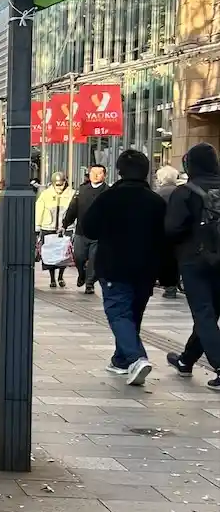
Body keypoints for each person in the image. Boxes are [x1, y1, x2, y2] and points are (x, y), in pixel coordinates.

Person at [82, 149, 173, 386]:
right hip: (146, 269)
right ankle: (121, 360)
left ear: (120, 171)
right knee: (133, 314)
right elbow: (167, 240)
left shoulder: (109, 198)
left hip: (114, 265)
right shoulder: (156, 202)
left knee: (119, 313)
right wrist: (168, 275)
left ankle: (135, 358)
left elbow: (88, 228)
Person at [164, 143, 220, 389]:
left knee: (204, 313)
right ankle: (186, 360)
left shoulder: (185, 192)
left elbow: (172, 229)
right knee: (210, 313)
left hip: (195, 260)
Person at [62, 164, 108, 294]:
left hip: (99, 234)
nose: (95, 175)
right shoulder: (82, 190)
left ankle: (89, 283)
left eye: (99, 173)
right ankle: (81, 274)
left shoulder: (109, 192)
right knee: (78, 257)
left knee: (94, 259)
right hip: (81, 231)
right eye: (93, 173)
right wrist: (65, 224)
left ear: (104, 175)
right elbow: (73, 208)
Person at [36, 172, 76, 288]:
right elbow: (39, 209)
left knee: (63, 254)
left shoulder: (72, 194)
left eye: (61, 184)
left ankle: (60, 276)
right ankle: (52, 278)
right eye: (57, 184)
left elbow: (75, 210)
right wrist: (37, 225)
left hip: (66, 227)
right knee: (50, 254)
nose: (60, 187)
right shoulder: (45, 194)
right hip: (48, 227)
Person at [155, 164, 182, 299]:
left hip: (162, 231)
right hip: (179, 230)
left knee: (166, 259)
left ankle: (169, 287)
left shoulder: (157, 194)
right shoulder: (181, 192)